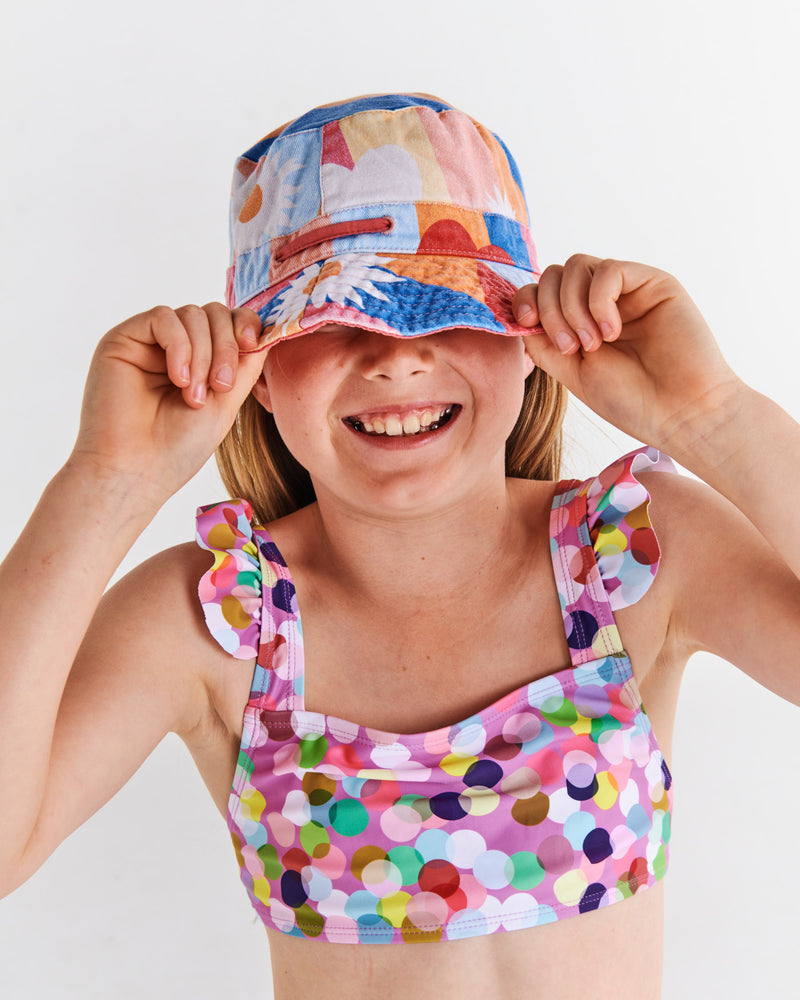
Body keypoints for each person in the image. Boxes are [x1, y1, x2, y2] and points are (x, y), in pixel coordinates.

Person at [1, 92, 798, 1000]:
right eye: (333, 321)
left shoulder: (634, 554)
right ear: (256, 373)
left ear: (525, 336)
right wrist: (104, 485)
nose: (394, 357)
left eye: (440, 308)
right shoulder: (219, 621)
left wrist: (716, 415)